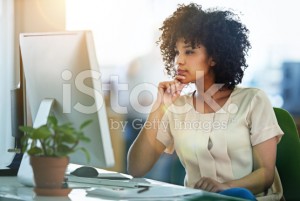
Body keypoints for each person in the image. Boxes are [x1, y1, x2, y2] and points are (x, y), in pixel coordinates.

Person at [127, 3, 284, 201]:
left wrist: (225, 187)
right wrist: (159, 107)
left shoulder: (253, 100)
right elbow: (136, 168)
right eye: (176, 52)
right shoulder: (176, 107)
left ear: (214, 57)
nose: (179, 61)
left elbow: (266, 175)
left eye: (189, 51)